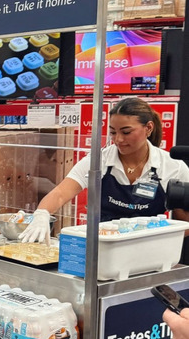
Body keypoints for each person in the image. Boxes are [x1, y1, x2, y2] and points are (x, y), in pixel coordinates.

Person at [20, 97, 189, 244]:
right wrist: (41, 214)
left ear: (149, 128)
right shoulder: (98, 161)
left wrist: (159, 238)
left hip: (148, 250)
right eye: (113, 132)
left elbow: (185, 222)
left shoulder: (173, 167)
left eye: (126, 132)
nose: (118, 139)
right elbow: (60, 193)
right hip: (102, 247)